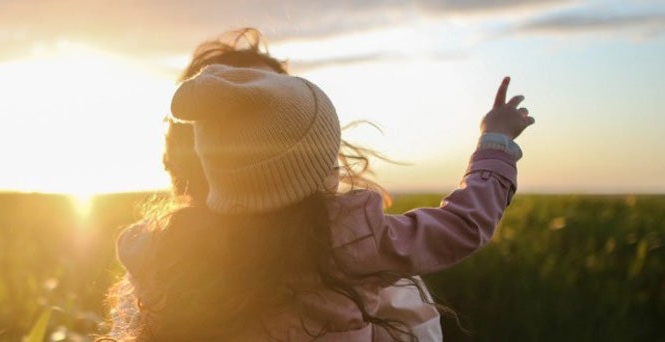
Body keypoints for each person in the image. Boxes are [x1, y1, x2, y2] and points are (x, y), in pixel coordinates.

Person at [104, 29, 534, 341]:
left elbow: (134, 245)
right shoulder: (354, 241)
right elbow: (464, 224)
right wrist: (494, 144)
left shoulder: (156, 254)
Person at [160, 28, 443, 340]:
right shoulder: (156, 271)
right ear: (195, 149)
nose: (257, 124)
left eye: (272, 103)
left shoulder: (364, 258)